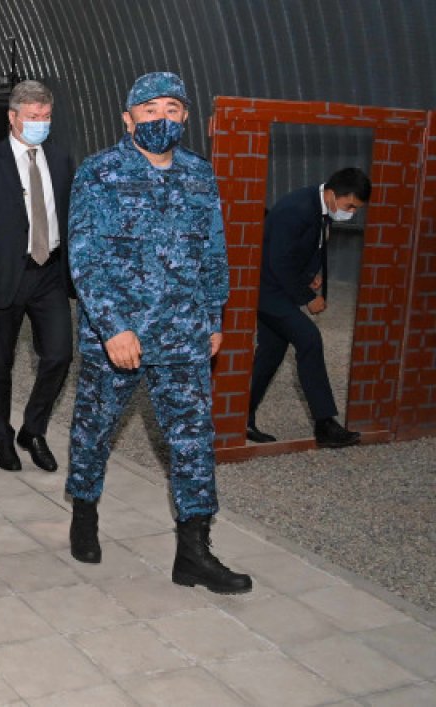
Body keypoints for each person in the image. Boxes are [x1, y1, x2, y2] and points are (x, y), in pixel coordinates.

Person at [65, 72, 251, 595]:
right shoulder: (99, 172)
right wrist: (113, 327)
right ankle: (84, 512)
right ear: (128, 120)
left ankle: (194, 552)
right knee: (94, 430)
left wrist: (213, 317)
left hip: (183, 334)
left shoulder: (199, 174)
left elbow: (213, 251)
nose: (161, 118)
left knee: (194, 442)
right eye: (149, 110)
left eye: (171, 108)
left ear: (185, 116)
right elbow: (85, 258)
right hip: (118, 338)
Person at [0, 80, 74, 473]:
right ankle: (1, 437)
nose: (40, 123)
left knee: (59, 354)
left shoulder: (61, 160)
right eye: (32, 116)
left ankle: (33, 430)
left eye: (46, 116)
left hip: (49, 273)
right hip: (0, 277)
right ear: (12, 117)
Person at [247, 168, 370, 448]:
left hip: (279, 288)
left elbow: (307, 247)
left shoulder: (320, 208)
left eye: (356, 209)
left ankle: (240, 416)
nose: (351, 213)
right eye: (350, 206)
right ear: (333, 194)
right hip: (267, 291)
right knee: (310, 339)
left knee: (270, 354)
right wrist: (307, 296)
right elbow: (279, 261)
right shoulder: (298, 209)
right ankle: (325, 425)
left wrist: (311, 275)